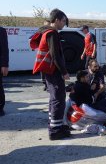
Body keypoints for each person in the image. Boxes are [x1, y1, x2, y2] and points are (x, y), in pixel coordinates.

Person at [31, 8, 71, 140]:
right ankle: (55, 130)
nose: (64, 24)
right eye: (63, 21)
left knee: (54, 99)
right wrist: (64, 72)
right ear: (57, 20)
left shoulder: (46, 32)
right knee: (58, 100)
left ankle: (55, 125)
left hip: (48, 71)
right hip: (53, 71)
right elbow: (55, 56)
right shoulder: (52, 34)